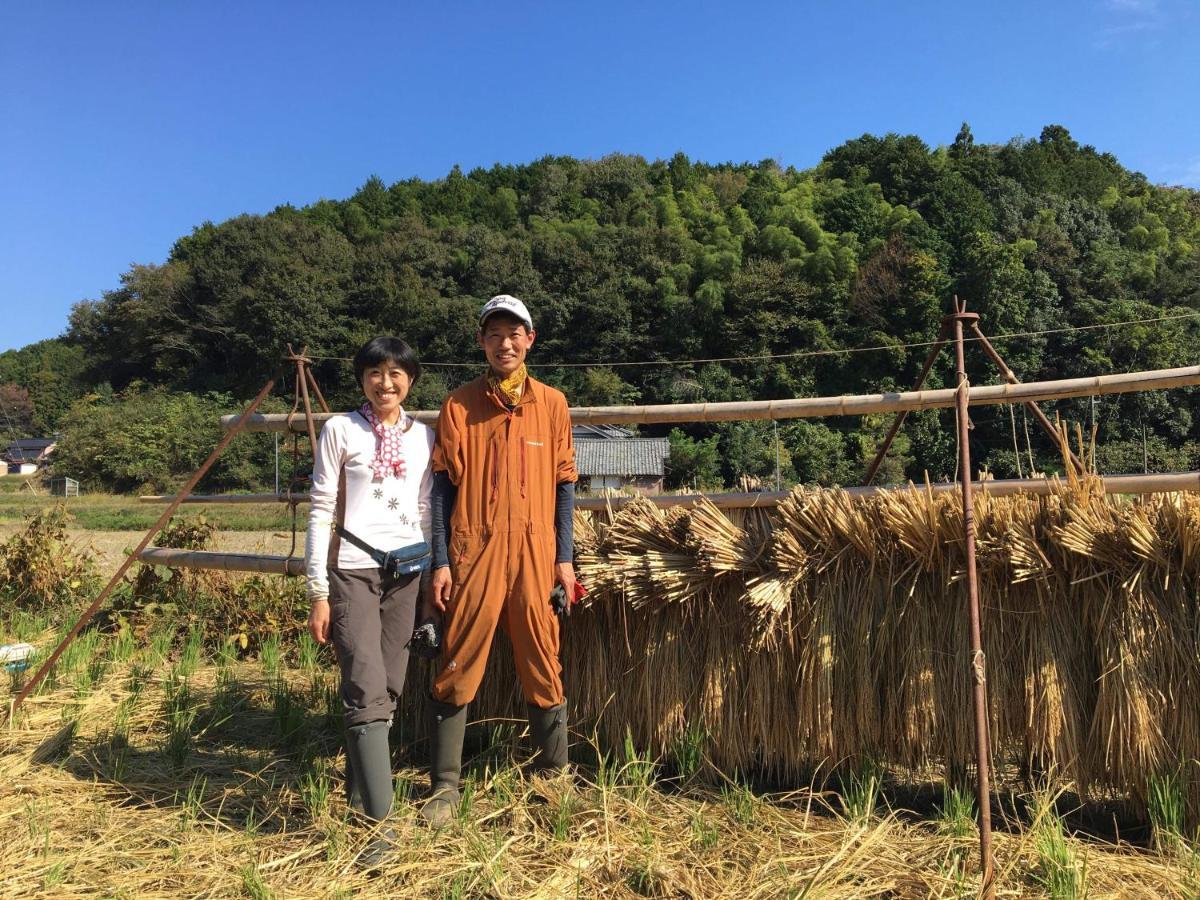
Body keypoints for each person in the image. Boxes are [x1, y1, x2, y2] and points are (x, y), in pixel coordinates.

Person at [421, 294, 577, 827]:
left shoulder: (552, 404)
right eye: (494, 334)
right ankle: (445, 786)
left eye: (515, 333)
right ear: (482, 342)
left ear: (530, 339)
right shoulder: (459, 405)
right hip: (474, 548)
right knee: (459, 655)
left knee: (541, 652)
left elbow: (564, 487)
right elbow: (442, 489)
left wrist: (565, 558)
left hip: (536, 551)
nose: (505, 343)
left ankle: (553, 777)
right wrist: (441, 561)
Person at [304, 336, 434, 863]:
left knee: (390, 685)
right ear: (361, 378)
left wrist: (428, 586)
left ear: (410, 381)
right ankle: (379, 830)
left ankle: (360, 798)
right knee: (363, 683)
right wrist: (318, 591)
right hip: (353, 571)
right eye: (375, 373)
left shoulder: (425, 436)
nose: (385, 383)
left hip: (408, 572)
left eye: (396, 373)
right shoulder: (341, 430)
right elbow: (319, 509)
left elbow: (426, 509)